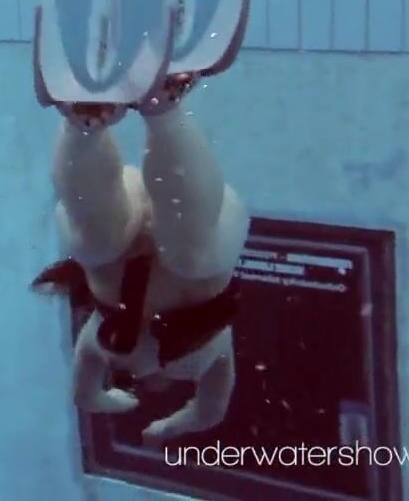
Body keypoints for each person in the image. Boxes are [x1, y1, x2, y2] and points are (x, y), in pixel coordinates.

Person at [32, 70, 250, 448]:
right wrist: (165, 428)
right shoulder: (211, 359)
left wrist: (120, 404)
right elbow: (209, 412)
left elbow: (84, 395)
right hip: (195, 230)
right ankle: (161, 111)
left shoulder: (98, 346)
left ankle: (85, 122)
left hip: (124, 229)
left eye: (138, 383)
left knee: (96, 239)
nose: (154, 381)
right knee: (192, 253)